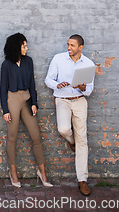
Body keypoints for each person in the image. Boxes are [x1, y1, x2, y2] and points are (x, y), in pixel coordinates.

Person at [45, 34, 95, 197]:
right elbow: (48, 80)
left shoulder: (88, 64)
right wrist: (57, 84)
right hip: (62, 100)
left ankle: (82, 180)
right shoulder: (58, 59)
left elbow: (89, 90)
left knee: (83, 140)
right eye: (68, 45)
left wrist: (82, 87)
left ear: (80, 47)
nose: (69, 48)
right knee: (64, 129)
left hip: (80, 101)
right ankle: (71, 141)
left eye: (72, 45)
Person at [0, 33, 52, 188]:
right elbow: (3, 88)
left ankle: (42, 173)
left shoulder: (28, 61)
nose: (27, 48)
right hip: (13, 99)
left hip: (27, 98)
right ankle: (13, 173)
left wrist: (34, 102)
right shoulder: (6, 64)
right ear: (17, 47)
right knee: (12, 137)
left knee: (36, 136)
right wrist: (5, 109)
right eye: (24, 46)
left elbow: (32, 83)